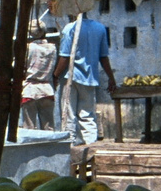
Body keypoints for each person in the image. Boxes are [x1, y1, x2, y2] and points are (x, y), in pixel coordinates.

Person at [53, 14, 114, 144]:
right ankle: (91, 146)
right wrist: (111, 77)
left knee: (69, 115)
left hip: (70, 78)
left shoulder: (70, 28)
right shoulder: (100, 28)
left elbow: (65, 57)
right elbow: (104, 57)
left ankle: (69, 147)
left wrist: (55, 76)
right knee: (87, 115)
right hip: (89, 78)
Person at [20, 20, 57, 129]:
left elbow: (19, 67)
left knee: (29, 128)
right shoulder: (52, 48)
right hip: (47, 89)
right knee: (49, 127)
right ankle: (50, 146)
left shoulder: (28, 48)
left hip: (30, 90)